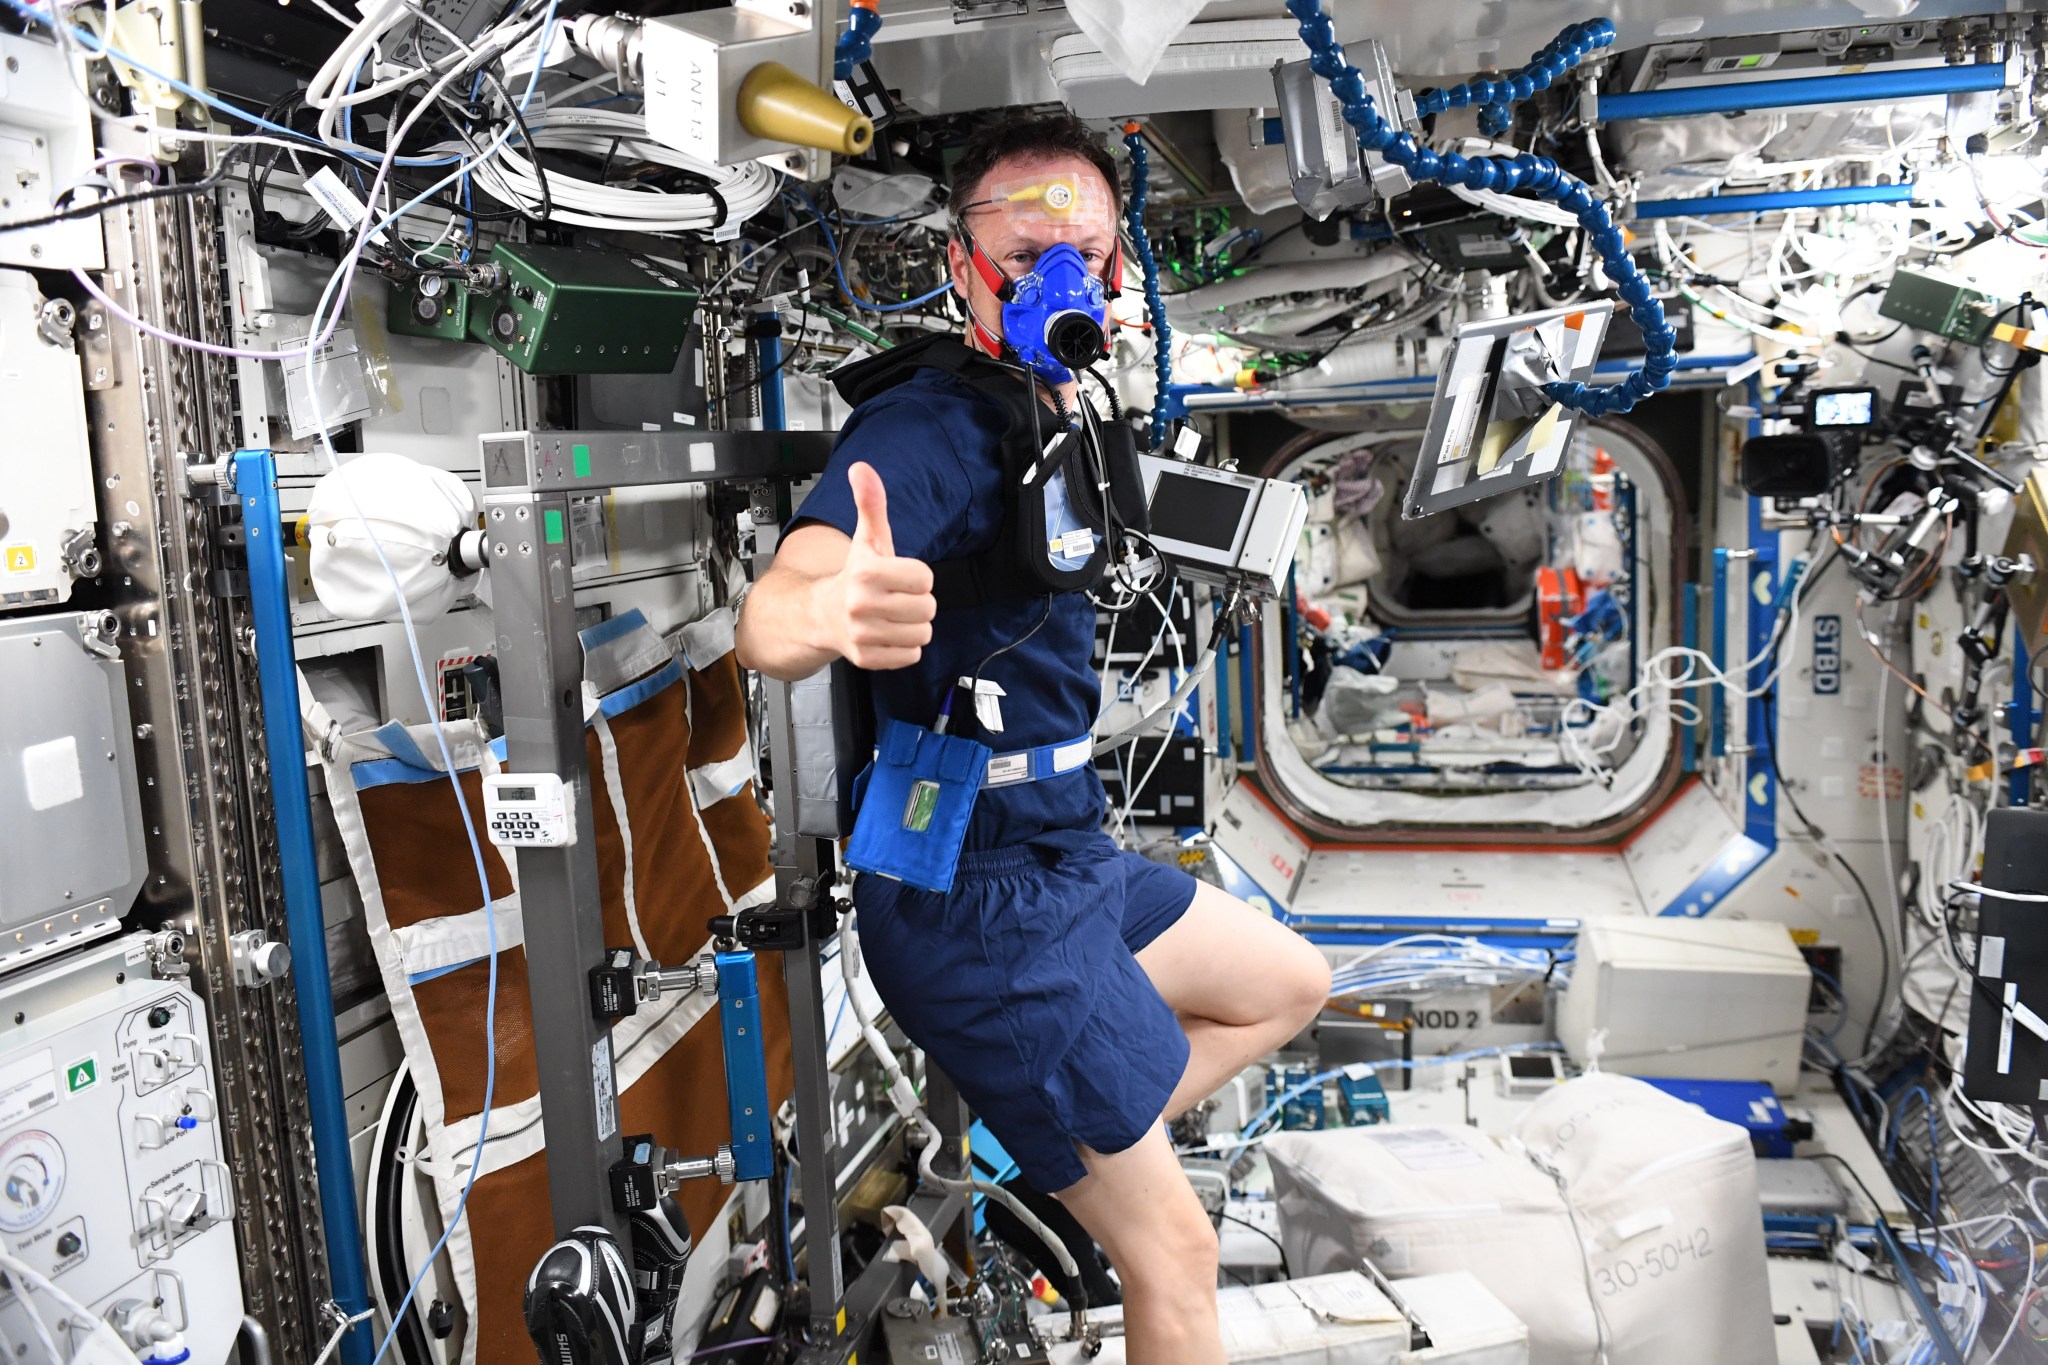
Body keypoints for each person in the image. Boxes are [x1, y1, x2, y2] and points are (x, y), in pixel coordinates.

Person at [734, 112, 1330, 1365]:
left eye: (1085, 248)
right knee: (1175, 1255)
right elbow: (782, 602)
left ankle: (1061, 1130)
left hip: (1059, 850)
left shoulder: (1054, 410)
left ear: (1118, 274)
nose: (1054, 270)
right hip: (973, 895)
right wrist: (823, 609)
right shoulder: (939, 427)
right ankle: (1077, 1131)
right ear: (963, 266)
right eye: (1019, 246)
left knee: (1288, 984)